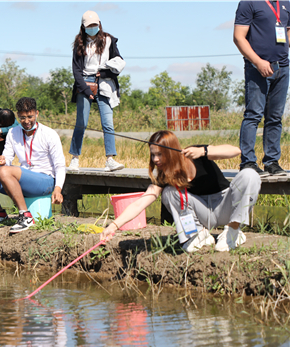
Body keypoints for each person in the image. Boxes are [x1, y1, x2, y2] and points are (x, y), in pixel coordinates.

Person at [99, 130, 262, 253]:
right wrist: (113, 226)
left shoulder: (197, 153)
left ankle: (233, 231)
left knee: (250, 174)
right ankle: (198, 234)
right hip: (203, 214)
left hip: (224, 206)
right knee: (169, 192)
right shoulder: (163, 175)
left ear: (170, 151)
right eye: (153, 154)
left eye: (160, 154)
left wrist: (204, 151)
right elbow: (141, 202)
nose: (155, 159)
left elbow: (235, 151)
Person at [0, 97, 66, 233]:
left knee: (4, 172)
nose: (27, 121)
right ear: (18, 116)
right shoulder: (13, 132)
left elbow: (60, 165)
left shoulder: (50, 134)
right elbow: (8, 158)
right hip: (24, 179)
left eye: (30, 117)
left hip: (44, 181)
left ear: (37, 114)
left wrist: (57, 189)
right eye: (23, 118)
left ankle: (25, 216)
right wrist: (3, 159)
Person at [234, 0, 290, 176]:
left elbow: (287, 31)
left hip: (283, 67)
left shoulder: (286, 3)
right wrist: (258, 62)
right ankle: (248, 163)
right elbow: (238, 37)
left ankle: (272, 162)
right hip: (257, 67)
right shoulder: (249, 3)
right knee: (253, 115)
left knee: (275, 117)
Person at [68, 10, 126, 172]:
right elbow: (76, 71)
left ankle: (110, 159)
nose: (92, 28)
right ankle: (74, 158)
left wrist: (106, 73)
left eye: (95, 25)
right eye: (89, 26)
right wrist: (86, 90)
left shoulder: (109, 40)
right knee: (81, 123)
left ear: (99, 24)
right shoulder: (79, 43)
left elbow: (119, 62)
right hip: (85, 83)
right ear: (83, 26)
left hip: (105, 83)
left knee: (108, 123)